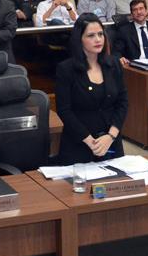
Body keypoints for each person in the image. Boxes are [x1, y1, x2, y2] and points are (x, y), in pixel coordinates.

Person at [55, 14, 128, 165]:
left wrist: (111, 136)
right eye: (91, 35)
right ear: (79, 39)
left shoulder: (114, 63)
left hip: (110, 142)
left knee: (114, 184)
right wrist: (91, 142)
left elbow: (123, 102)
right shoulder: (66, 69)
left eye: (101, 34)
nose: (98, 39)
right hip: (79, 143)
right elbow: (64, 110)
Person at [114, 0, 148, 64]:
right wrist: (120, 58)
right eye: (135, 10)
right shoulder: (124, 31)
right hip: (136, 67)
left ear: (146, 11)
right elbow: (117, 52)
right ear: (131, 14)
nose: (139, 12)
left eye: (141, 8)